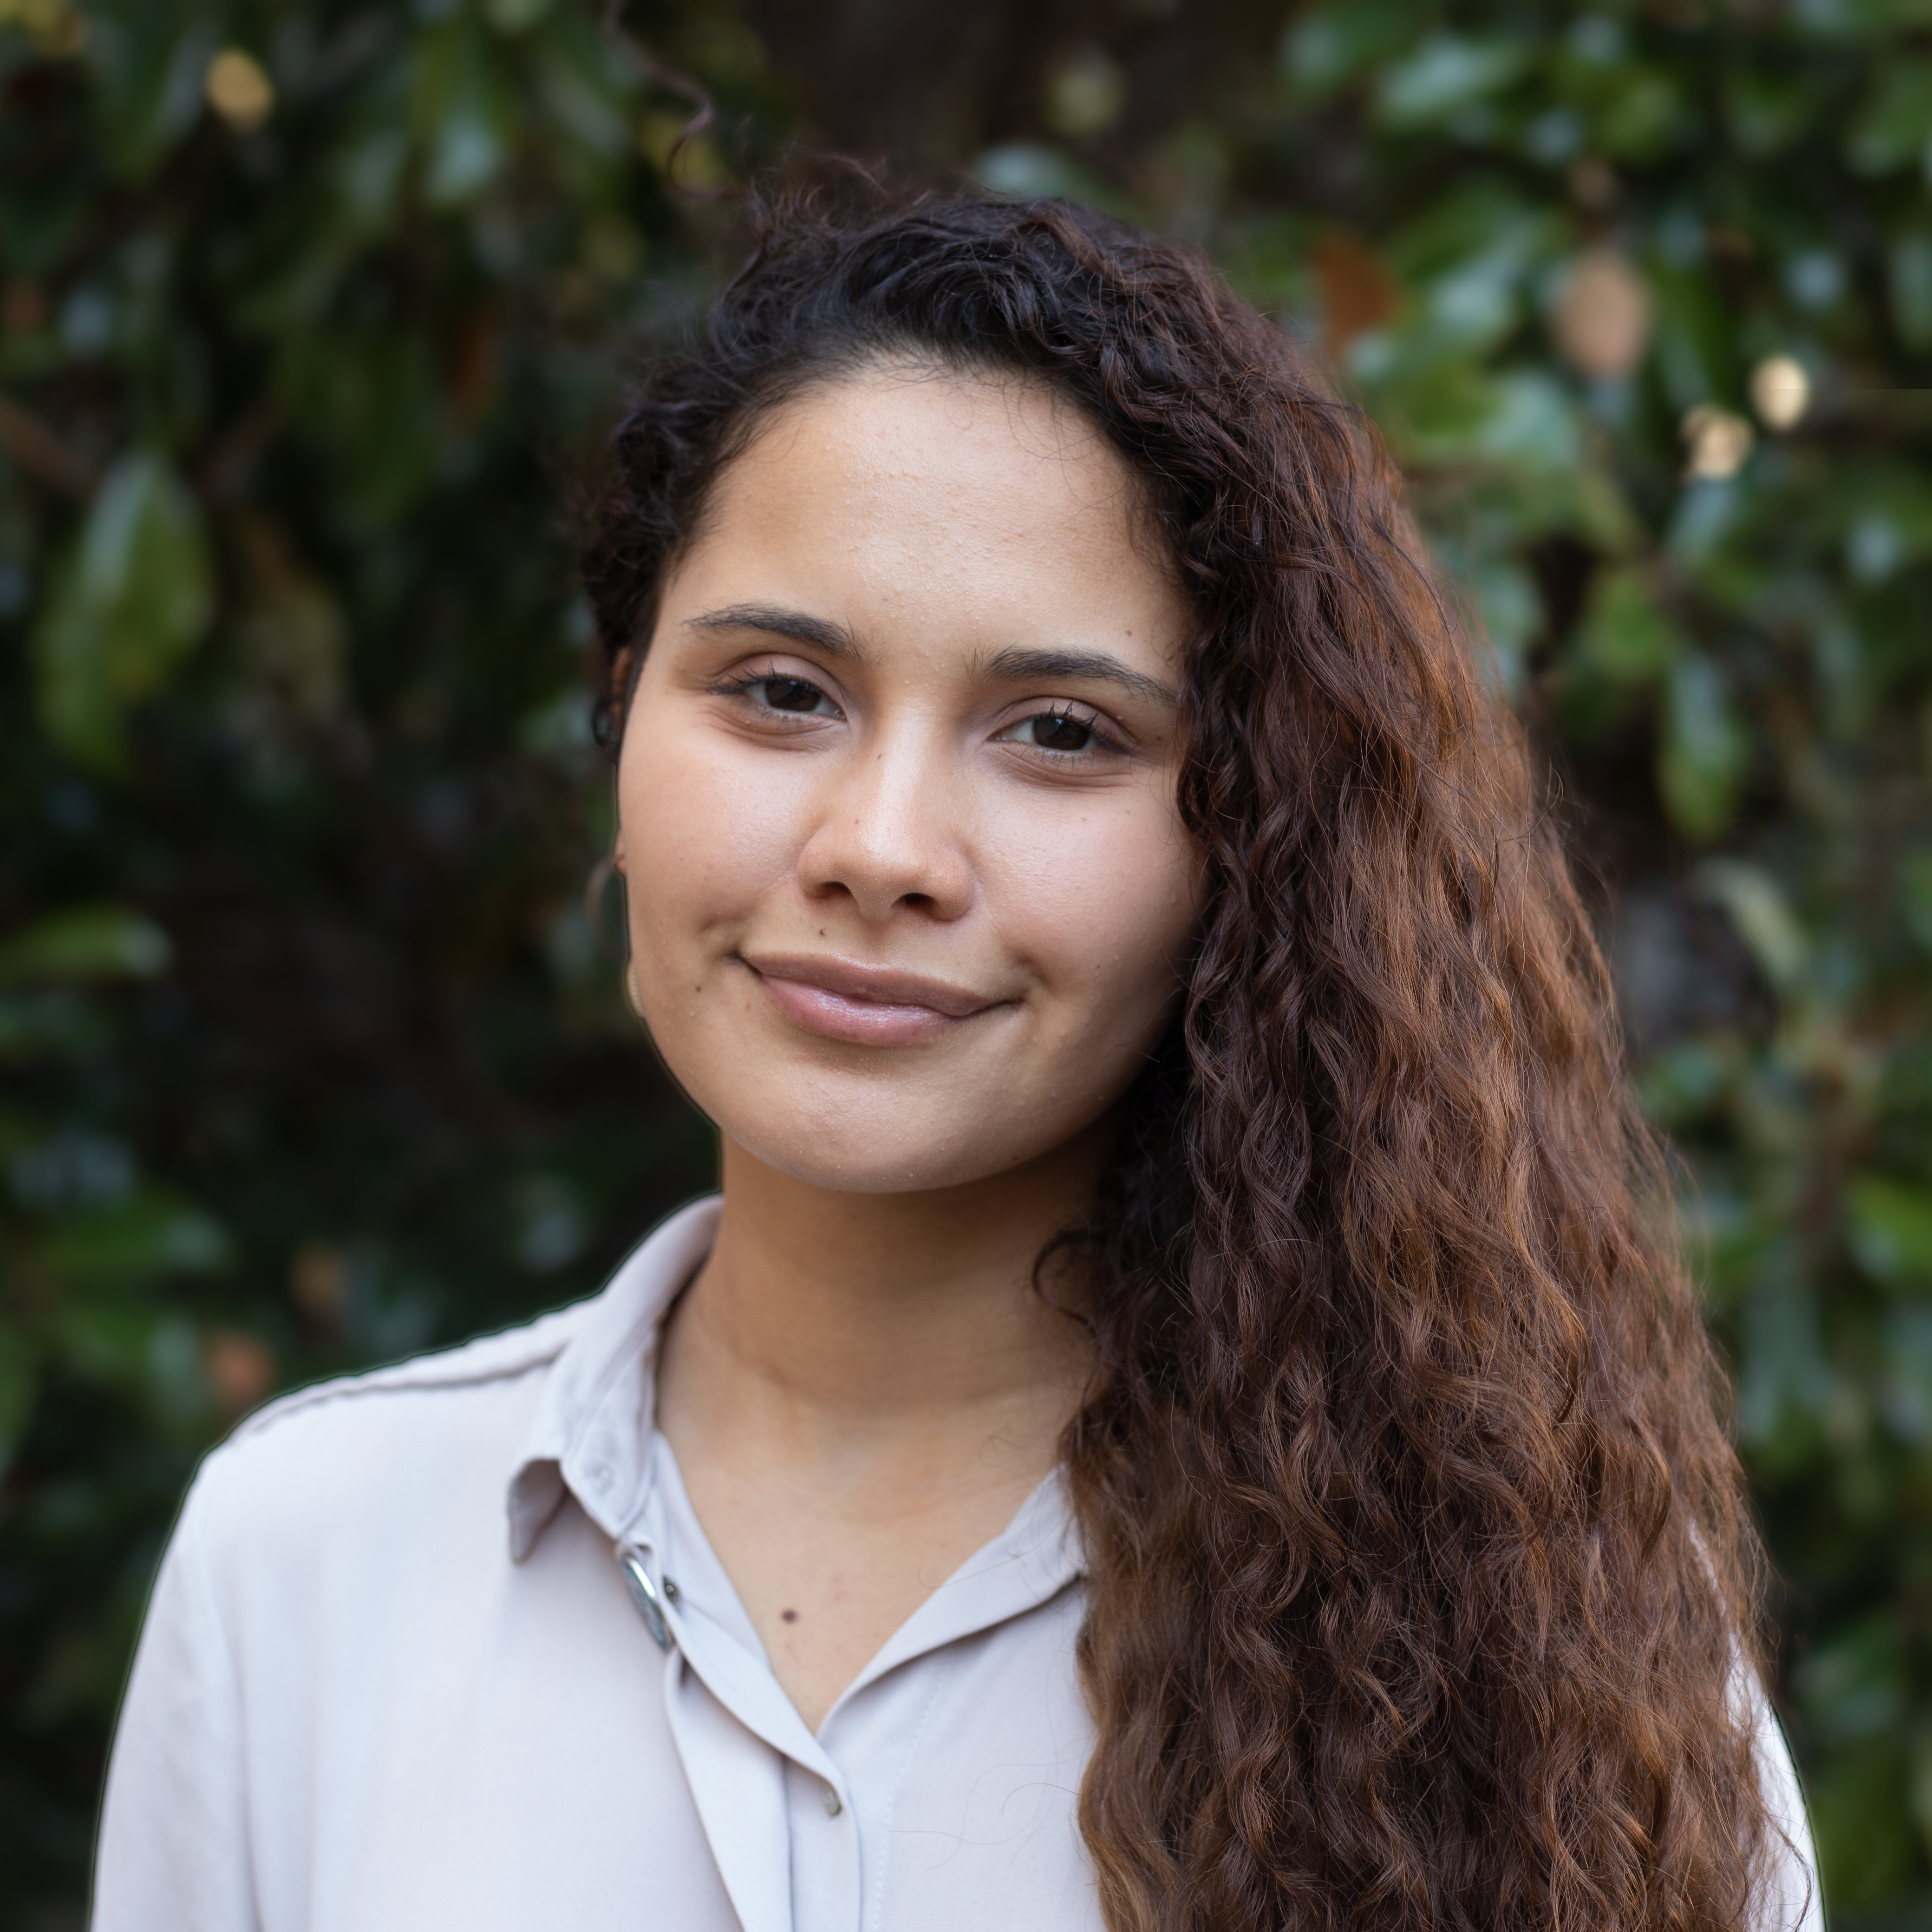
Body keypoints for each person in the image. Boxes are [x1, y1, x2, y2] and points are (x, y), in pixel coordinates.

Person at [91, 186, 1820, 1932]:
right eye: (781, 691)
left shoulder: (1541, 1650)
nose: (882, 848)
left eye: (1060, 732)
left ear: (1252, 846)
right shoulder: (300, 1568)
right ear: (620, 711)